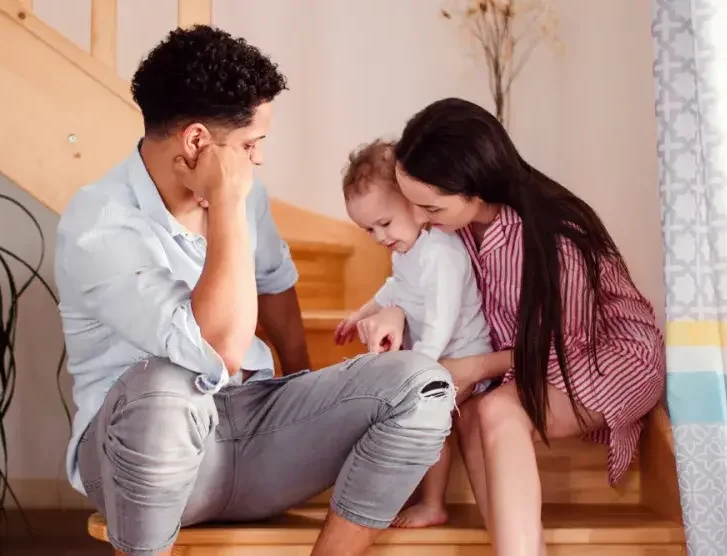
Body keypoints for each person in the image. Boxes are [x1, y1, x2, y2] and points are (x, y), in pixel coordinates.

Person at [53, 26, 455, 556]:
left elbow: (274, 285)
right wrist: (225, 202)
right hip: (145, 454)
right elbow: (215, 348)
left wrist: (305, 393)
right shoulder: (98, 226)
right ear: (198, 142)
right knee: (168, 385)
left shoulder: (248, 192)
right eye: (249, 145)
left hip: (252, 434)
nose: (258, 159)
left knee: (422, 383)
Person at [361, 98, 666, 555]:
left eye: (431, 208)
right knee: (470, 416)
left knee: (495, 410)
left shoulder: (555, 235)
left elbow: (566, 344)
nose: (421, 219)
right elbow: (424, 288)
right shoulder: (453, 228)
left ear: (474, 188)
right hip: (522, 360)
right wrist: (396, 312)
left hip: (607, 356)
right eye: (414, 206)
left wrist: (476, 367)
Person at [332, 139, 493, 528]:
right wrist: (362, 313)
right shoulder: (407, 250)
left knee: (426, 416)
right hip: (434, 356)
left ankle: (433, 502)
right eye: (367, 229)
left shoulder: (441, 254)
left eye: (383, 224)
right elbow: (395, 289)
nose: (378, 237)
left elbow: (441, 322)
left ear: (416, 205)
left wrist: (417, 374)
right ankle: (414, 493)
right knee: (414, 414)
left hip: (460, 356)